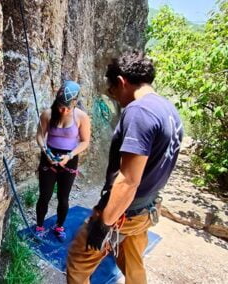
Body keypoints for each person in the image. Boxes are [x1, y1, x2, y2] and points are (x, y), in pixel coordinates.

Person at [67, 51, 183, 283]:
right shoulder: (168, 110)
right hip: (147, 209)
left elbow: (128, 180)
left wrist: (104, 224)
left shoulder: (139, 112)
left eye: (113, 92)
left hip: (125, 213)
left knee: (78, 262)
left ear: (121, 82)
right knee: (132, 263)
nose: (116, 99)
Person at [35, 80, 91, 242]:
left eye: (68, 107)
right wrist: (45, 151)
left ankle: (59, 225)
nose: (64, 110)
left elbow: (85, 141)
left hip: (69, 158)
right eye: (61, 106)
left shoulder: (81, 117)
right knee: (44, 195)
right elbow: (40, 134)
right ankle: (39, 225)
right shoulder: (48, 114)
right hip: (49, 157)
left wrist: (70, 155)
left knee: (63, 197)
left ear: (75, 104)